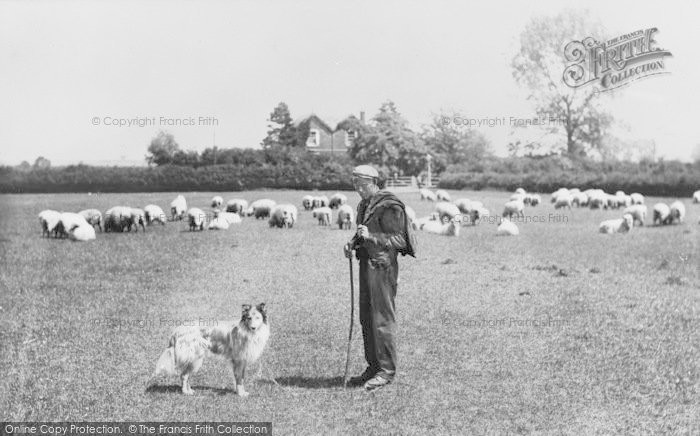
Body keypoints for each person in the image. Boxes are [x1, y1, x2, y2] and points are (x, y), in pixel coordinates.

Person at [344, 165, 415, 391]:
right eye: (355, 184)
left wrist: (372, 237)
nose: (358, 189)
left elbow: (400, 241)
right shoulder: (364, 205)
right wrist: (352, 244)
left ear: (374, 181)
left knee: (382, 319)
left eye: (362, 184)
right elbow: (362, 233)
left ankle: (387, 371)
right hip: (366, 265)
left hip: (383, 268)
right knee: (366, 317)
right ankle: (373, 367)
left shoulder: (390, 206)